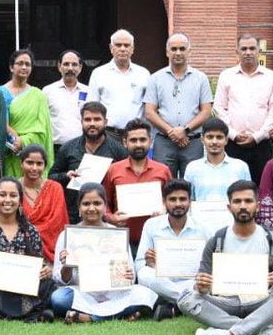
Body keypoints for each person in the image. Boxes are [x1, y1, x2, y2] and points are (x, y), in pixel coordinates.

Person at [181, 180, 273, 335]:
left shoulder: (271, 240)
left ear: (257, 206)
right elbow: (203, 281)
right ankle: (259, 331)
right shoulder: (216, 240)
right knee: (186, 297)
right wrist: (201, 285)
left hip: (261, 301)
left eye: (248, 201)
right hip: (225, 303)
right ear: (229, 207)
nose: (243, 206)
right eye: (237, 201)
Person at [50, 183, 157, 322]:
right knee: (58, 299)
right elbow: (59, 279)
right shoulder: (67, 236)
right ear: (79, 207)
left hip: (113, 294)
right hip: (82, 292)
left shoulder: (116, 234)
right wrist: (67, 265)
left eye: (97, 203)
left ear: (105, 206)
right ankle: (119, 314)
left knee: (145, 294)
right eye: (86, 204)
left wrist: (128, 275)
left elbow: (130, 275)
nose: (91, 208)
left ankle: (89, 317)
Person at [0, 177, 55, 323]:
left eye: (13, 195)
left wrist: (45, 272)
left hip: (23, 288)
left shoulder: (30, 231)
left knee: (48, 284)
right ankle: (32, 314)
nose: (7, 200)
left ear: (20, 200)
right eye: (2, 195)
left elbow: (39, 265)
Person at [134, 178, 209, 320]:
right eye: (172, 199)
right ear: (164, 201)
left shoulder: (203, 228)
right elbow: (139, 265)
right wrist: (150, 264)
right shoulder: (151, 225)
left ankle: (173, 305)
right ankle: (189, 302)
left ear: (190, 202)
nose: (178, 204)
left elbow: (209, 265)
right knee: (145, 274)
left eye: (183, 199)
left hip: (191, 281)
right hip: (162, 280)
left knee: (207, 281)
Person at [213, 33, 273, 187]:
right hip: (232, 144)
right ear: (237, 52)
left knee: (263, 188)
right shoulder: (226, 76)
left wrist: (257, 136)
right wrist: (234, 135)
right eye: (243, 49)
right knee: (233, 187)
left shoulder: (272, 77)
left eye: (252, 48)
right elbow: (219, 107)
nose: (248, 52)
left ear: (259, 51)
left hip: (262, 144)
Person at [143, 33, 213, 178]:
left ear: (189, 51)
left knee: (192, 184)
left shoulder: (201, 78)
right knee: (163, 183)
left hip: (192, 141)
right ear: (167, 52)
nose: (178, 53)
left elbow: (206, 111)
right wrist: (172, 132)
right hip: (164, 141)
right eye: (174, 49)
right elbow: (149, 112)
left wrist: (185, 130)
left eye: (182, 48)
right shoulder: (155, 78)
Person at [47, 101, 128, 224]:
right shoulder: (68, 148)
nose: (92, 124)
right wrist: (66, 176)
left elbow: (125, 182)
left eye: (97, 119)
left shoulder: (118, 150)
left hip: (106, 217)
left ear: (105, 122)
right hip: (73, 214)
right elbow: (51, 177)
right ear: (82, 122)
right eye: (88, 119)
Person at [102, 119, 172, 254]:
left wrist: (165, 209)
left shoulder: (163, 171)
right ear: (125, 142)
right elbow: (105, 203)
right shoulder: (113, 170)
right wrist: (111, 218)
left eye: (142, 140)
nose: (138, 144)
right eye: (133, 140)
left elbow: (173, 201)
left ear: (150, 141)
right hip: (121, 240)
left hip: (155, 241)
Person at [85, 29, 151, 138]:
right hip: (107, 134)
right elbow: (92, 108)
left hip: (135, 135)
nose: (122, 49)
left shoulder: (143, 74)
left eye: (126, 45)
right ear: (111, 48)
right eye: (118, 45)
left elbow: (149, 108)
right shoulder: (99, 73)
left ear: (133, 48)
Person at [2, 48, 55, 177]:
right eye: (20, 63)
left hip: (33, 157)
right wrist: (15, 141)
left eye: (28, 64)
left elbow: (43, 130)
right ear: (11, 67)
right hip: (9, 154)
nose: (24, 67)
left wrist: (24, 141)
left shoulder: (38, 96)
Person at [16, 143, 69, 262]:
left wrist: (29, 232)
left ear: (45, 165)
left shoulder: (55, 188)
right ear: (21, 163)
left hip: (49, 254)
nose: (34, 168)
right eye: (29, 162)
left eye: (39, 163)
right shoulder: (13, 188)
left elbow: (56, 224)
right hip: (18, 252)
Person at [184, 117, 250, 202]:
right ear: (202, 139)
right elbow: (189, 200)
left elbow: (247, 199)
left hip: (230, 215)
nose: (214, 142)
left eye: (219, 137)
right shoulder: (192, 168)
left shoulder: (240, 167)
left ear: (226, 140)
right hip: (201, 215)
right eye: (210, 137)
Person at [43, 49, 89, 158]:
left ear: (80, 67)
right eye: (66, 64)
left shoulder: (89, 91)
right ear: (59, 66)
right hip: (55, 149)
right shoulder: (48, 91)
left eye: (74, 65)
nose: (70, 68)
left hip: (82, 149)